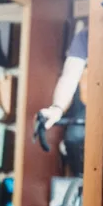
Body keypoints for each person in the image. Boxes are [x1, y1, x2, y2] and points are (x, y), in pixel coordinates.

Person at [38, 25, 87, 176]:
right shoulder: (84, 37)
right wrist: (57, 108)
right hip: (94, 106)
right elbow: (69, 77)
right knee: (75, 137)